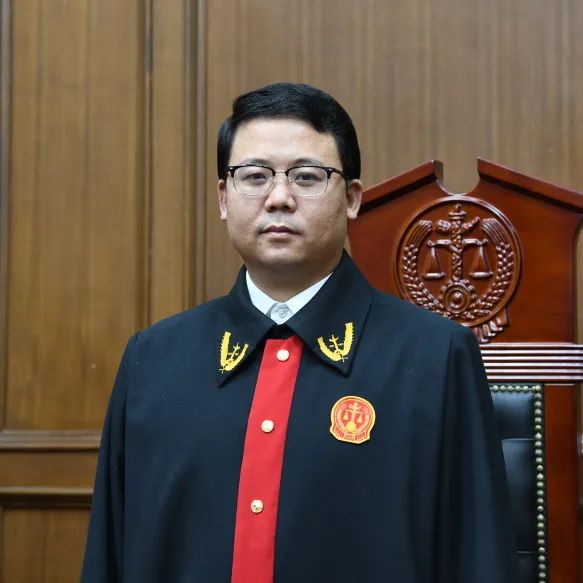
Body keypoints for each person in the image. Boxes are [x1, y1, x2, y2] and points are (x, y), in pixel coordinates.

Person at [81, 82, 518, 582]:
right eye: (255, 176)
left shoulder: (434, 357)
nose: (279, 198)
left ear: (352, 199)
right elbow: (110, 556)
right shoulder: (153, 360)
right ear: (224, 198)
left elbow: (478, 557)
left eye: (307, 177)